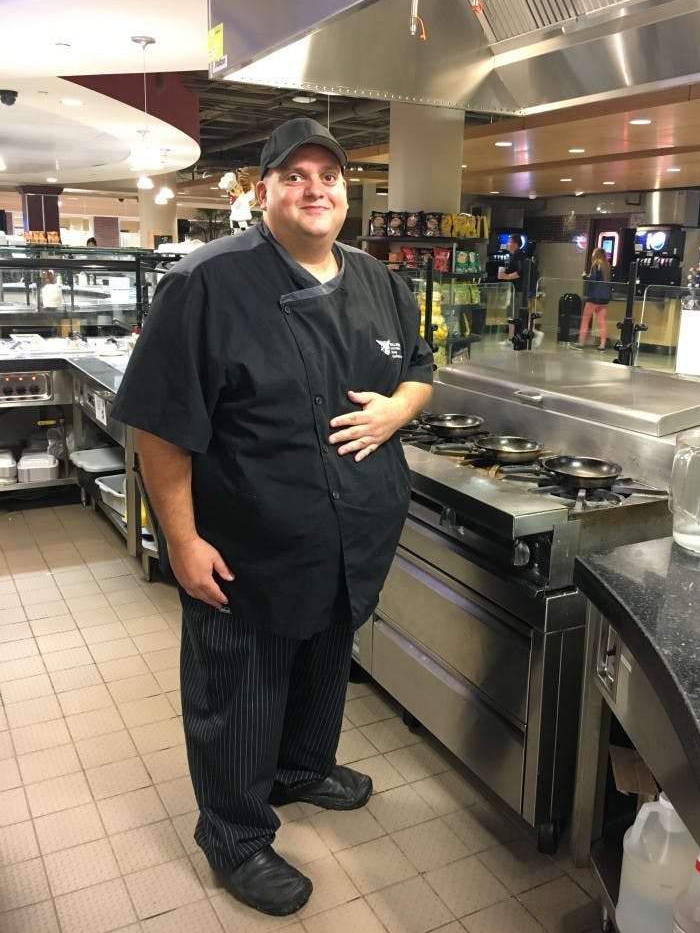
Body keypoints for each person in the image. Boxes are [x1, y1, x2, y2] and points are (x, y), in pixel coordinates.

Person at [110, 117, 433, 918]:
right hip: (247, 545)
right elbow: (158, 425)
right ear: (263, 193)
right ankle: (235, 835)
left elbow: (422, 373)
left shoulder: (380, 281)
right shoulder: (205, 284)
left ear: (346, 192)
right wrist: (178, 542)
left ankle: (301, 769)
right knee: (239, 689)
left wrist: (396, 410)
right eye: (294, 175)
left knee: (325, 663)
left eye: (329, 175)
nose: (315, 189)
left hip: (350, 536)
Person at [573, 246, 612, 350]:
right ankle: (602, 344)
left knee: (585, 319)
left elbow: (593, 280)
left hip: (594, 296)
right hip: (604, 298)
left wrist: (585, 276)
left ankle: (581, 342)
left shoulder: (596, 264)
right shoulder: (607, 265)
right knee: (602, 321)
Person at [497, 234, 528, 340]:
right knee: (512, 313)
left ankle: (515, 336)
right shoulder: (513, 256)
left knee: (515, 313)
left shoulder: (518, 255)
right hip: (514, 289)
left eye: (509, 242)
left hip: (517, 290)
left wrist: (506, 276)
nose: (507, 244)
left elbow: (520, 272)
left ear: (515, 244)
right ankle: (511, 337)